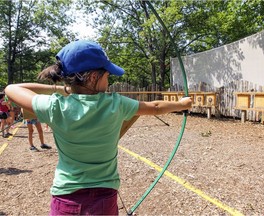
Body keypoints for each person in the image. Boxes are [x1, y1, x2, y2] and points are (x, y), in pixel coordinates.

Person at [5, 40, 193, 215]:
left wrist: (65, 90)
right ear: (94, 76)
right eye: (107, 75)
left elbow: (11, 89)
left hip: (65, 199)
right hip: (104, 200)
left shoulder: (56, 107)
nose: (108, 80)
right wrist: (182, 104)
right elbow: (156, 107)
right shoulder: (116, 104)